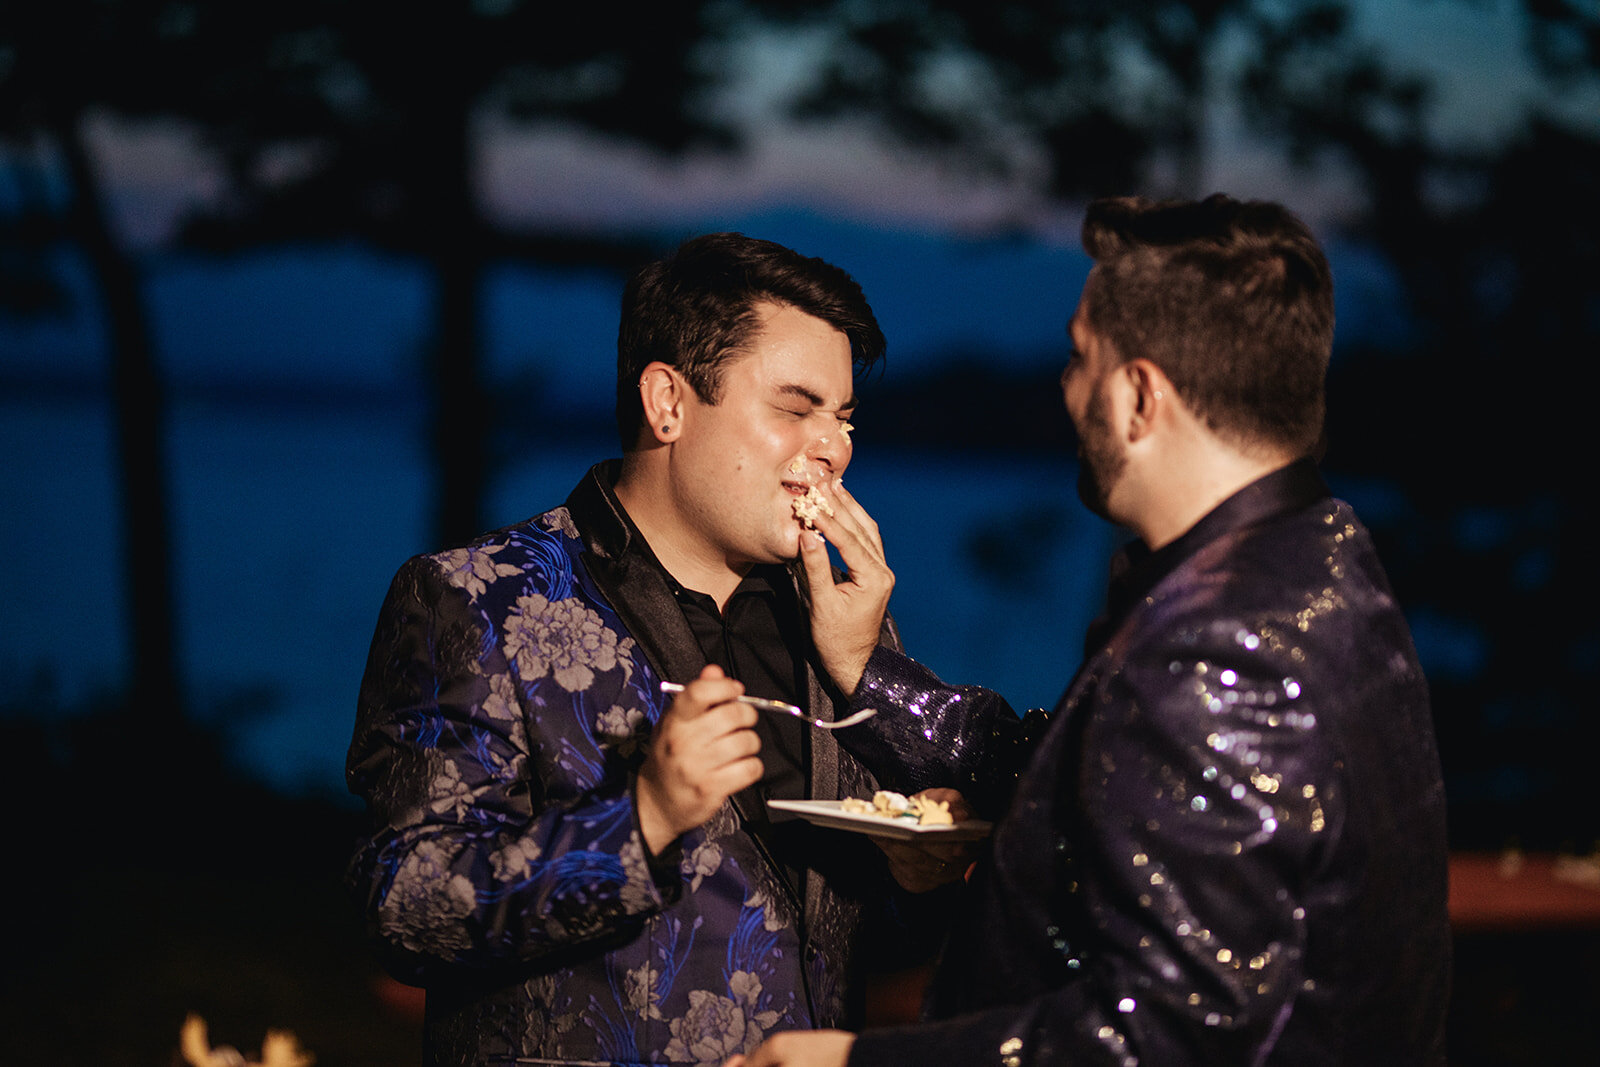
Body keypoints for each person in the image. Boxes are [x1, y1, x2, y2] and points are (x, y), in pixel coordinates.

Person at [729, 195, 1452, 1066]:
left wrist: (857, 1062)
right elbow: (1067, 772)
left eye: (1079, 359)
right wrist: (867, 671)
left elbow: (1175, 1035)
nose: (1066, 389)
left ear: (1140, 396)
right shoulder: (1317, 565)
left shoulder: (1222, 650)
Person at [346, 232, 1027, 1067]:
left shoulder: (847, 626)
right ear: (668, 401)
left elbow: (839, 933)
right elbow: (403, 909)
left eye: (844, 417)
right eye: (796, 407)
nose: (835, 447)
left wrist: (919, 886)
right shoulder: (477, 597)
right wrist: (641, 818)